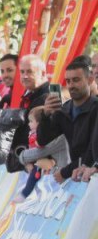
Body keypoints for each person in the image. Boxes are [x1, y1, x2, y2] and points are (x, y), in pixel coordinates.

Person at [37, 55, 97, 184]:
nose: (71, 85)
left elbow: (92, 151)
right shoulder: (64, 110)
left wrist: (65, 172)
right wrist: (45, 115)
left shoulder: (95, 109)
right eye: (68, 81)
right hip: (77, 176)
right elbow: (43, 140)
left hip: (90, 175)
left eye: (76, 80)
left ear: (90, 80)